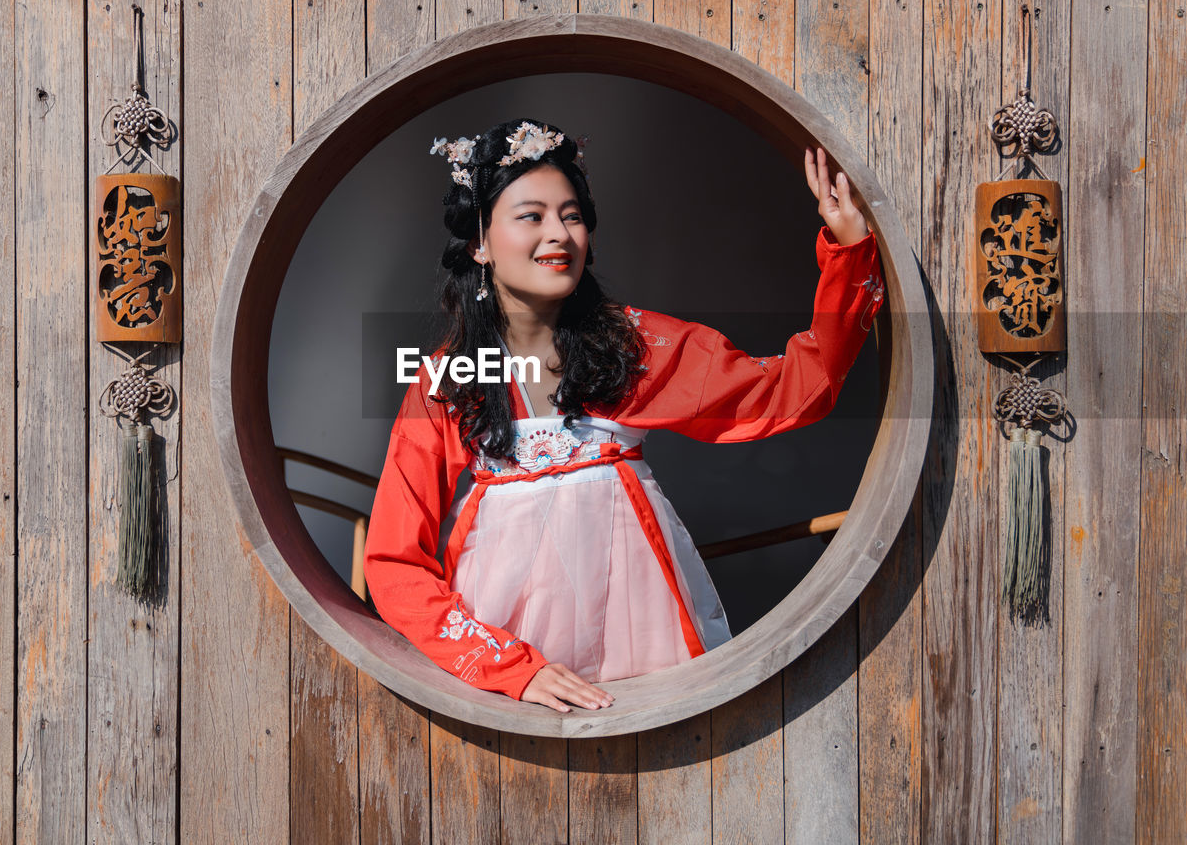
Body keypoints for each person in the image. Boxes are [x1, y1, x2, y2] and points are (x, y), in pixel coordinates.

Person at [363, 118, 885, 713]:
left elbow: (796, 390)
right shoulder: (447, 382)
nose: (558, 234)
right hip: (501, 638)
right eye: (531, 216)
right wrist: (507, 668)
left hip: (642, 621)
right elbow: (392, 562)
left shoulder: (633, 349)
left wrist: (848, 254)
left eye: (572, 215)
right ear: (480, 241)